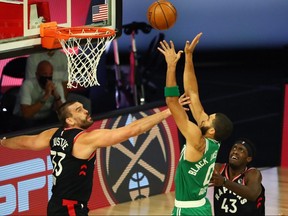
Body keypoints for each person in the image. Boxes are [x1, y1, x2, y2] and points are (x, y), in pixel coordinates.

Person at [1, 100, 174, 216]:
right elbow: (132, 130)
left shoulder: (53, 134)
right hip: (70, 208)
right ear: (69, 120)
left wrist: (3, 143)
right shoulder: (85, 139)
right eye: (79, 110)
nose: (85, 111)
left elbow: (25, 142)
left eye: (83, 107)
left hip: (56, 205)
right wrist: (167, 112)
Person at [158, 32, 233, 215]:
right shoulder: (213, 141)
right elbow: (192, 94)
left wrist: (171, 66)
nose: (203, 117)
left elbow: (172, 102)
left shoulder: (196, 139)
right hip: (203, 206)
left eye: (208, 118)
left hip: (187, 211)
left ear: (212, 129)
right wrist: (189, 57)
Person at [211, 138, 265, 215]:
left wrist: (224, 182)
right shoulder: (219, 168)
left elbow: (252, 194)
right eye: (234, 148)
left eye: (241, 150)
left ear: (248, 159)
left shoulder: (253, 174)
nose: (235, 151)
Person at [25, 49, 92, 113]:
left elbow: (65, 83)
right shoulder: (33, 58)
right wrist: (46, 96)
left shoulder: (63, 57)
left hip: (59, 94)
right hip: (39, 96)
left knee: (85, 102)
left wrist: (62, 102)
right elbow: (32, 84)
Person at [13, 60, 65, 127]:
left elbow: (64, 112)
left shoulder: (56, 85)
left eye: (50, 74)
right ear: (37, 75)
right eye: (45, 74)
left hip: (46, 119)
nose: (48, 78)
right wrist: (46, 96)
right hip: (24, 121)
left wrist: (57, 96)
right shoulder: (28, 85)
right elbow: (26, 114)